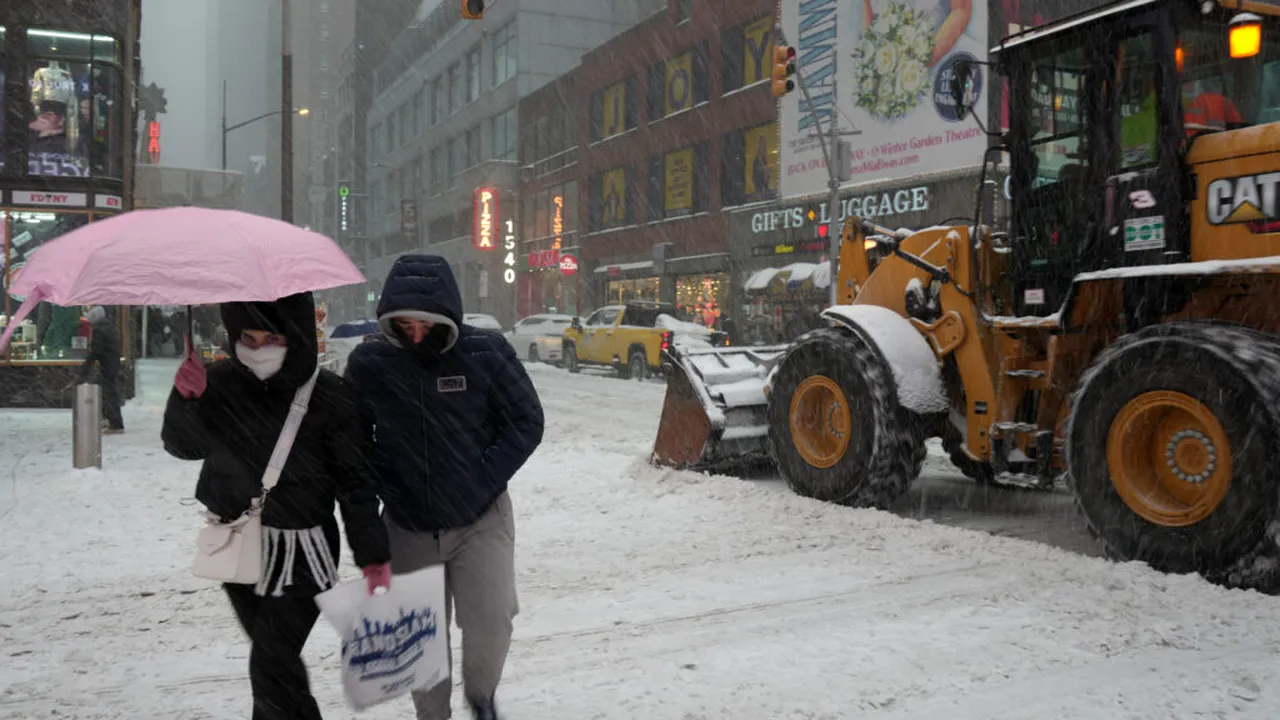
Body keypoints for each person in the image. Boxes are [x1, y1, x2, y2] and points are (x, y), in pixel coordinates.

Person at [161, 291, 392, 720]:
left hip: (304, 553)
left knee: (270, 662)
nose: (257, 349)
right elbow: (184, 446)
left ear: (297, 336)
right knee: (276, 666)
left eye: (271, 337)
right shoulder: (220, 383)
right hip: (240, 547)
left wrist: (372, 554)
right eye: (247, 337)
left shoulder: (329, 396)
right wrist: (186, 400)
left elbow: (355, 483)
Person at [344, 255, 544, 720]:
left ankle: (481, 697)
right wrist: (388, 480)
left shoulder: (486, 354)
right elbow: (351, 439)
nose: (415, 335)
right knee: (421, 637)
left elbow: (526, 420)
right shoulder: (371, 362)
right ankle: (431, 716)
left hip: (480, 520)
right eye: (404, 325)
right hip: (408, 525)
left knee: (492, 622)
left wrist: (482, 476)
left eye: (425, 325)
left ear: (448, 317)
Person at [79, 305, 124, 434]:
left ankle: (116, 424)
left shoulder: (99, 329)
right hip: (112, 362)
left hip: (108, 363)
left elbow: (96, 350)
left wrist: (86, 365)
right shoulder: (109, 326)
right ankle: (108, 418)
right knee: (108, 391)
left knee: (109, 393)